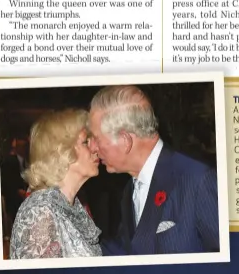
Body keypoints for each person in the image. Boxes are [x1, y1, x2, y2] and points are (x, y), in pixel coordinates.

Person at [88, 85, 219, 256]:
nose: (92, 147)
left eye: (96, 138)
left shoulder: (197, 180)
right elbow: (128, 251)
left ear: (125, 140)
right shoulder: (131, 188)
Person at [9, 109, 102, 259]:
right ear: (62, 152)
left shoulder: (72, 205)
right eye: (86, 142)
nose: (96, 148)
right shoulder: (40, 211)